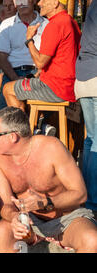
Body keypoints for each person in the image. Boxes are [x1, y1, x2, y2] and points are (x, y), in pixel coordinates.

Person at [0, 107, 97, 252]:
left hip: (66, 219)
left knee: (92, 239)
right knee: (3, 230)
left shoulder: (51, 147)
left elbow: (80, 194)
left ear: (12, 136)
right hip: (29, 221)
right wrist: (14, 217)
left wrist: (45, 202)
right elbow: (6, 204)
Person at [2, 0, 81, 112]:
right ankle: (40, 126)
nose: (39, 3)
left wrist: (29, 39)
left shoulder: (55, 24)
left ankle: (21, 129)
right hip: (68, 85)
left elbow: (40, 62)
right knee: (23, 84)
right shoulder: (70, 21)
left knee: (7, 88)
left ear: (55, 3)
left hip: (55, 87)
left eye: (43, 0)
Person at [0, 0, 48, 112]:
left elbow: (49, 56)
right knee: (6, 114)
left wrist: (35, 76)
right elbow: (2, 57)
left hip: (39, 73)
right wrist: (16, 79)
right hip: (12, 72)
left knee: (41, 109)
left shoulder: (46, 24)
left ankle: (39, 125)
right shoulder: (7, 24)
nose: (21, 3)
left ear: (34, 1)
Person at [74, 0, 97, 212]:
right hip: (95, 78)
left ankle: (88, 197)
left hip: (84, 78)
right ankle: (93, 201)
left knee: (91, 140)